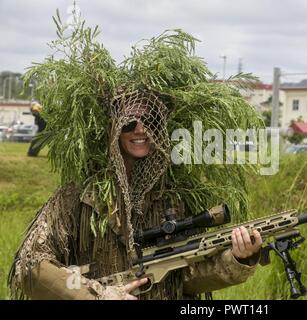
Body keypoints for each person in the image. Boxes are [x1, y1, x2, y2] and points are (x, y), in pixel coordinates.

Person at [8, 91, 263, 300]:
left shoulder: (174, 194)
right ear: (114, 129)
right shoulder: (78, 194)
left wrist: (237, 259)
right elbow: (30, 267)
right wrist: (98, 296)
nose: (140, 129)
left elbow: (186, 277)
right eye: (129, 122)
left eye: (149, 121)